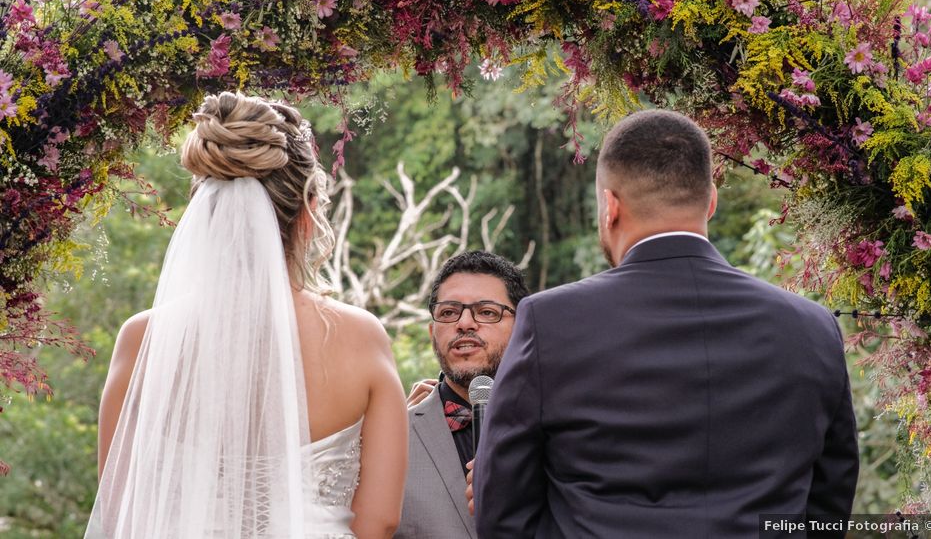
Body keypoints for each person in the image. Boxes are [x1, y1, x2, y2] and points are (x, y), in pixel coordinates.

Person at [473, 109, 859, 537]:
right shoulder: (812, 327)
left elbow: (503, 510)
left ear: (610, 207)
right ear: (710, 201)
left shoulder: (550, 322)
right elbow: (830, 498)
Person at [87, 92, 407, 539]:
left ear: (204, 216)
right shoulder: (360, 337)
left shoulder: (143, 338)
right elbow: (380, 521)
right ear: (308, 215)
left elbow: (121, 513)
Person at [394, 251, 528, 539]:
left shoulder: (564, 428)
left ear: (523, 328)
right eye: (449, 312)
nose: (465, 323)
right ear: (432, 332)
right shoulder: (389, 439)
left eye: (487, 311)